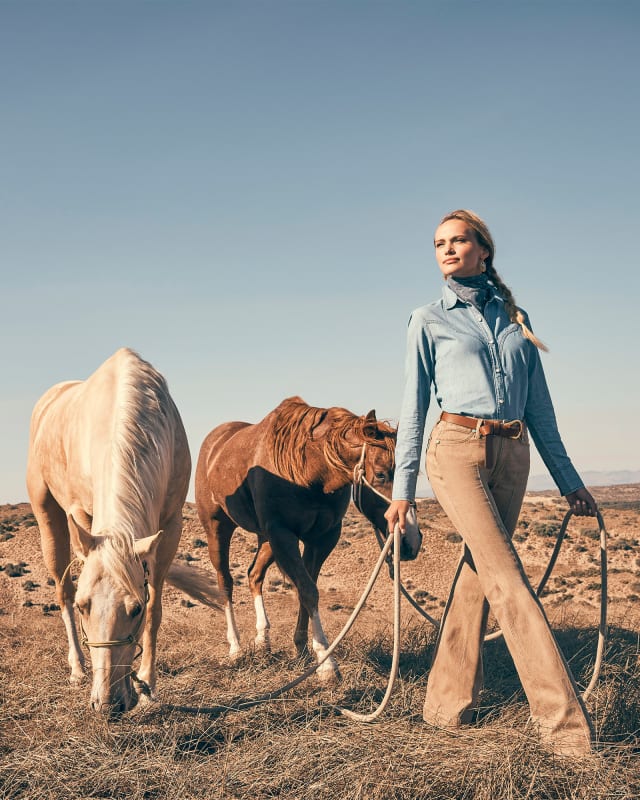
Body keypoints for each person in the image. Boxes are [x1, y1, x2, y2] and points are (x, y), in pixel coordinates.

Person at [384, 209, 598, 758]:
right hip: (455, 450)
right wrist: (401, 492)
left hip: (515, 452)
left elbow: (541, 410)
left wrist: (570, 480)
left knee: (480, 576)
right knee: (509, 580)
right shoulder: (427, 319)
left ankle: (444, 707)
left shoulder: (515, 318)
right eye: (439, 244)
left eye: (459, 241)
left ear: (484, 249)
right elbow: (412, 411)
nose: (448, 250)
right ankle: (565, 729)